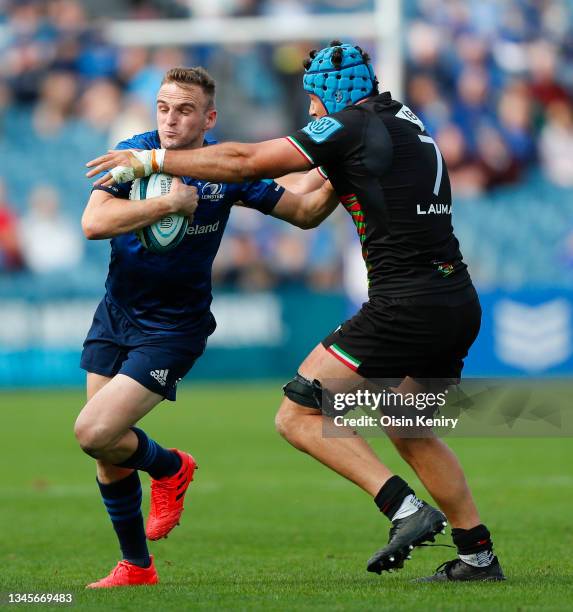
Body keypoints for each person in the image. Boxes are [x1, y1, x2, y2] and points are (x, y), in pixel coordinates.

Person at [87, 43, 505, 582]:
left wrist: (150, 164)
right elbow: (307, 204)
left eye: (312, 100)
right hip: (454, 300)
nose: (310, 112)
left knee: (299, 413)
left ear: (332, 95)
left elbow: (248, 161)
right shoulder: (402, 120)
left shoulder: (350, 124)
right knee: (408, 425)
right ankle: (477, 555)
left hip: (406, 304)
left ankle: (403, 508)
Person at [76, 66, 339, 588]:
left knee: (94, 432)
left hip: (173, 328)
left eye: (185, 110)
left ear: (208, 117)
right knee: (108, 453)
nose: (171, 121)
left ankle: (170, 466)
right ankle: (137, 567)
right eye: (164, 108)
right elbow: (93, 223)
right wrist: (167, 204)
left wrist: (342, 172)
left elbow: (304, 211)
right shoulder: (136, 152)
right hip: (115, 313)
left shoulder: (224, 170)